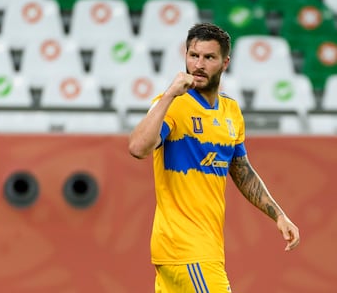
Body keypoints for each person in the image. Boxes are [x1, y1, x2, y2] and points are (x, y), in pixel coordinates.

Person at [128, 23, 300, 293]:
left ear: (225, 62)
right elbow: (138, 147)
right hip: (186, 249)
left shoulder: (231, 110)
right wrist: (170, 94)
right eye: (193, 55)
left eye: (209, 58)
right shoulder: (173, 105)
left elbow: (242, 170)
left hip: (202, 250)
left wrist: (278, 215)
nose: (199, 64)